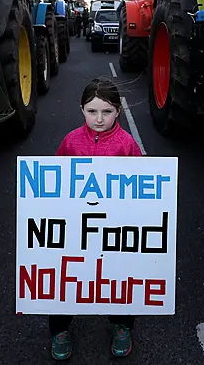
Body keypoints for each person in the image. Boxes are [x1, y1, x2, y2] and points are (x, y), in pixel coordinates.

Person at [50, 77, 143, 360]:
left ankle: (122, 325)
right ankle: (60, 328)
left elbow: (142, 186)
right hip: (76, 225)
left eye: (107, 112)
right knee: (65, 274)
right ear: (82, 110)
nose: (99, 119)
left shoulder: (127, 144)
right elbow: (52, 179)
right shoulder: (70, 141)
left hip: (115, 226)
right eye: (92, 112)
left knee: (119, 274)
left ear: (118, 111)